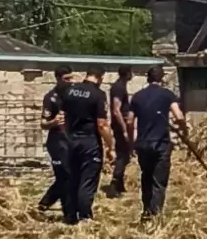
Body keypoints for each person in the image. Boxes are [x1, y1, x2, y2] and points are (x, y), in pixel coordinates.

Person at [126, 65, 188, 221]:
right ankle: (155, 214)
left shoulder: (138, 96)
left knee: (146, 177)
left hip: (143, 144)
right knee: (159, 180)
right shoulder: (167, 95)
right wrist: (183, 129)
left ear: (148, 78)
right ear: (162, 78)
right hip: (161, 144)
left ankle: (146, 210)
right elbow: (179, 116)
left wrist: (131, 140)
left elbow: (130, 120)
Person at [59, 66, 114, 224]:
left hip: (71, 140)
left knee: (73, 178)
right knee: (87, 179)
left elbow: (62, 117)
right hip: (89, 141)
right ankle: (84, 216)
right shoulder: (98, 94)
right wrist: (110, 146)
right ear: (100, 77)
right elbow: (102, 124)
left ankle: (69, 215)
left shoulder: (69, 91)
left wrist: (67, 134)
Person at [36, 65, 76, 212]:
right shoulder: (51, 98)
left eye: (72, 78)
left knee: (70, 176)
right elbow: (43, 124)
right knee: (64, 176)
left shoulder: (74, 95)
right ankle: (49, 204)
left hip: (71, 141)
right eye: (67, 79)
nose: (71, 81)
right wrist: (53, 122)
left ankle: (65, 207)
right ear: (58, 79)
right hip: (57, 143)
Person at [104, 65, 134, 197]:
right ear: (127, 73)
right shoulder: (119, 87)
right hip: (120, 126)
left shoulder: (120, 86)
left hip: (121, 125)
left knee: (125, 155)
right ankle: (114, 186)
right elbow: (116, 110)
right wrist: (124, 130)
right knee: (123, 156)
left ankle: (120, 185)